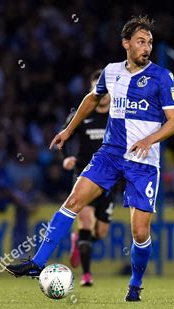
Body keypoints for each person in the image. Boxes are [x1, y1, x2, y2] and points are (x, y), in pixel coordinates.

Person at [6, 15, 174, 302]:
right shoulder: (111, 72)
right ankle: (37, 263)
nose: (146, 47)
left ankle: (135, 287)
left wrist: (149, 140)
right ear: (126, 43)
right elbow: (91, 98)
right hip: (111, 154)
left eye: (149, 42)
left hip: (143, 162)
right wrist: (68, 130)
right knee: (73, 202)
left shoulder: (162, 77)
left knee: (139, 232)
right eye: (140, 41)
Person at [62, 69, 114, 286]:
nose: (102, 94)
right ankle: (86, 276)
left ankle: (79, 241)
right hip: (85, 175)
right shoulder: (82, 114)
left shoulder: (119, 115)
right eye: (97, 89)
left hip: (111, 180)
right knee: (85, 221)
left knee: (100, 232)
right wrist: (67, 158)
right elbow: (64, 137)